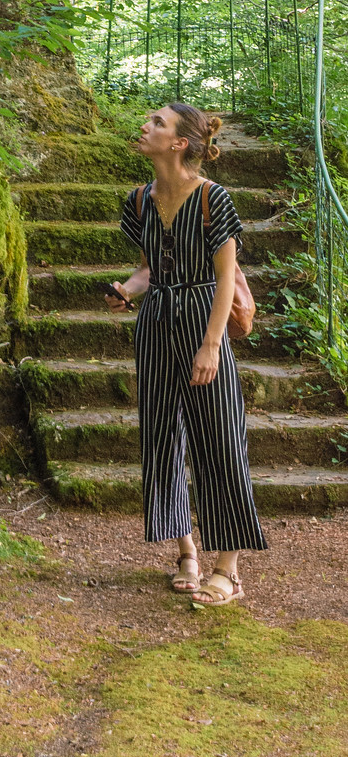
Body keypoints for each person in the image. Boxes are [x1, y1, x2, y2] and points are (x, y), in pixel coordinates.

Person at [107, 102, 266, 607]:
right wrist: (126, 290)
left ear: (179, 143)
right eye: (149, 119)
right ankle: (187, 553)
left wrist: (211, 344)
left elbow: (225, 279)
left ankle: (228, 568)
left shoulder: (212, 199)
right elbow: (149, 269)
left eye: (157, 122)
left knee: (219, 440)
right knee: (161, 438)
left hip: (204, 321)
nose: (145, 125)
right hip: (155, 328)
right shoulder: (137, 201)